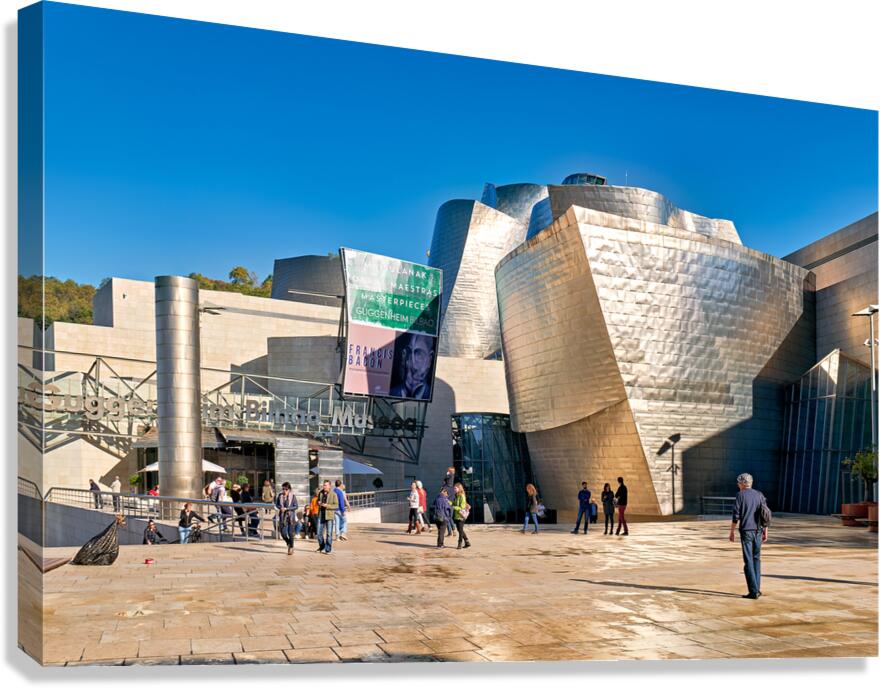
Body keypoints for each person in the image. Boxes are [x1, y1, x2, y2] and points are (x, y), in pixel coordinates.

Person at [728, 472, 769, 599]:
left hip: (746, 531)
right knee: (756, 559)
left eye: (738, 483)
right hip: (758, 530)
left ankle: (753, 591)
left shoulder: (740, 495)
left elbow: (736, 516)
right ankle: (757, 588)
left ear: (742, 483)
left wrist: (732, 531)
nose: (738, 485)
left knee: (748, 561)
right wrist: (765, 531)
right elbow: (765, 514)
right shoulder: (759, 494)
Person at [389, 332, 435, 400]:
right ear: (403, 355)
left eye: (419, 354)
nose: (413, 365)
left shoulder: (429, 395)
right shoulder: (390, 393)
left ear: (429, 360)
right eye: (409, 352)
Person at [275, 481, 299, 555]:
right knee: (283, 533)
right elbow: (277, 504)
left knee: (290, 533)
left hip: (290, 517)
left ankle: (291, 548)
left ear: (289, 489)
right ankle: (289, 543)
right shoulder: (280, 496)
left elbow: (296, 506)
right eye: (283, 489)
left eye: (286, 489)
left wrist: (287, 509)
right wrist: (280, 508)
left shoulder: (293, 496)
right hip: (282, 516)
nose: (284, 491)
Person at [316, 480, 339, 554]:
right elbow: (318, 501)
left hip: (329, 516)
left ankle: (328, 549)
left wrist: (327, 506)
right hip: (321, 515)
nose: (324, 486)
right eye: (323, 485)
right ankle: (322, 546)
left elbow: (336, 505)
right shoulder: (320, 493)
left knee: (329, 533)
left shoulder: (333, 494)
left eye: (325, 485)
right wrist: (318, 503)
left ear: (329, 486)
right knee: (319, 533)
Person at [451, 483, 471, 549]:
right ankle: (467, 542)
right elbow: (454, 504)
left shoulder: (462, 496)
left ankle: (459, 544)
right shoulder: (457, 495)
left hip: (461, 516)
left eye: (455, 488)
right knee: (460, 530)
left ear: (459, 488)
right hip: (457, 516)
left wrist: (454, 507)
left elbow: (462, 507)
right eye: (454, 488)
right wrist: (449, 502)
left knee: (460, 530)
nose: (454, 489)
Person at [442, 467, 456, 538]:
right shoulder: (453, 488)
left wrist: (446, 475)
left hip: (447, 505)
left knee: (447, 518)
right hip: (452, 504)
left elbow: (443, 497)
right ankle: (453, 530)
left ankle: (450, 532)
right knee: (450, 518)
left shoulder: (445, 488)